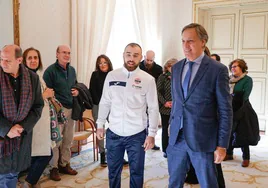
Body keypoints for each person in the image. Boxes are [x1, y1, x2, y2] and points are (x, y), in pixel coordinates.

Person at [167, 23, 232, 188]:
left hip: (203, 140)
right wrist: (171, 126)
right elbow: (177, 102)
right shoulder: (176, 68)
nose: (185, 46)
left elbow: (225, 110)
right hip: (177, 138)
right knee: (174, 182)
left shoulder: (217, 70)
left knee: (208, 184)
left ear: (203, 42)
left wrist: (222, 145)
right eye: (183, 41)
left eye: (190, 41)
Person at [96, 43, 159, 188]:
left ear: (140, 58)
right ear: (123, 55)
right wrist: (100, 125)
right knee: (113, 172)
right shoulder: (112, 76)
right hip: (114, 133)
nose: (131, 58)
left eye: (135, 55)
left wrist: (152, 134)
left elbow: (153, 108)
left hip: (137, 135)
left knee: (136, 172)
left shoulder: (148, 79)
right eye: (128, 54)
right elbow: (105, 102)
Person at [0, 45, 44, 188]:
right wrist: (7, 129)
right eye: (1, 59)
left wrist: (22, 127)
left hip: (21, 137)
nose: (3, 64)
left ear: (19, 60)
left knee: (13, 174)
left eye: (8, 61)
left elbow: (38, 106)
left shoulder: (32, 78)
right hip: (2, 136)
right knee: (2, 176)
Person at [43, 45, 78, 181]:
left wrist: (77, 91)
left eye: (69, 53)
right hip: (57, 111)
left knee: (68, 139)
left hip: (70, 109)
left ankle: (64, 164)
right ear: (57, 54)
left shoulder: (72, 70)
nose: (67, 55)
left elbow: (75, 85)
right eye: (64, 52)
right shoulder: (50, 71)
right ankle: (54, 168)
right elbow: (47, 92)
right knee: (56, 140)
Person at [225, 59, 254, 167]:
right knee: (229, 132)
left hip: (242, 108)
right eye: (232, 66)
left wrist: (233, 96)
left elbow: (245, 96)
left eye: (236, 66)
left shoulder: (247, 80)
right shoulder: (229, 79)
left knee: (242, 133)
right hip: (229, 108)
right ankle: (229, 153)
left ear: (242, 68)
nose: (233, 68)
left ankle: (246, 157)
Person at [89, 54, 113, 166]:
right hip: (98, 105)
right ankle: (102, 154)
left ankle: (114, 152)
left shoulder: (113, 75)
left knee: (115, 128)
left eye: (104, 62)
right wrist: (101, 103)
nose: (102, 65)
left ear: (108, 63)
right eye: (100, 63)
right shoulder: (95, 75)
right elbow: (92, 91)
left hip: (112, 106)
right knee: (100, 130)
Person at [139, 50, 162, 150]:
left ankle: (151, 140)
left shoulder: (158, 69)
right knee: (141, 119)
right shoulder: (138, 66)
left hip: (152, 96)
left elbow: (159, 84)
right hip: (140, 96)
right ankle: (141, 141)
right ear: (144, 57)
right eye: (147, 59)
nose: (148, 62)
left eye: (151, 60)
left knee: (151, 118)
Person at [156, 58, 177, 158]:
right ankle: (165, 149)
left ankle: (175, 148)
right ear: (167, 67)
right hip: (165, 108)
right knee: (165, 129)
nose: (173, 68)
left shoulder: (180, 76)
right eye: (171, 66)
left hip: (177, 107)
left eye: (175, 66)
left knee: (176, 129)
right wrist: (165, 103)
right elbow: (157, 91)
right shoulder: (162, 77)